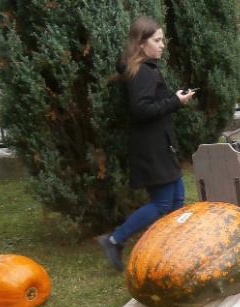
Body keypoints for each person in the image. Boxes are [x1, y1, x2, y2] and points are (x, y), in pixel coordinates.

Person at [98, 16, 195, 272]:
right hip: (152, 148)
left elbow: (151, 105)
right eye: (157, 40)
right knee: (163, 203)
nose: (162, 45)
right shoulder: (141, 71)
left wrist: (174, 99)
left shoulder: (145, 67)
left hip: (160, 144)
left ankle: (176, 250)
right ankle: (114, 239)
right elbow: (140, 110)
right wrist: (175, 102)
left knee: (176, 199)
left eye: (163, 39)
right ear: (142, 44)